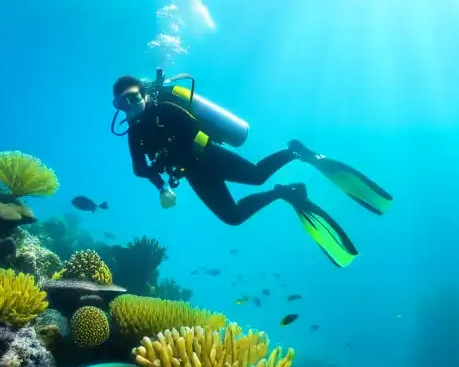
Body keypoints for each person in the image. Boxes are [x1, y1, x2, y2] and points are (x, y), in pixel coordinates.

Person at [111, 74, 393, 267]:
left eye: (133, 98)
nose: (130, 107)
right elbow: (139, 169)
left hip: (208, 156)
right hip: (193, 173)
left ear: (145, 94)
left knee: (256, 176)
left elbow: (192, 129)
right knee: (233, 218)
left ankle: (295, 151)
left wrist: (163, 161)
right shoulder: (134, 134)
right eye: (122, 103)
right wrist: (161, 186)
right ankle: (283, 193)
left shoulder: (167, 108)